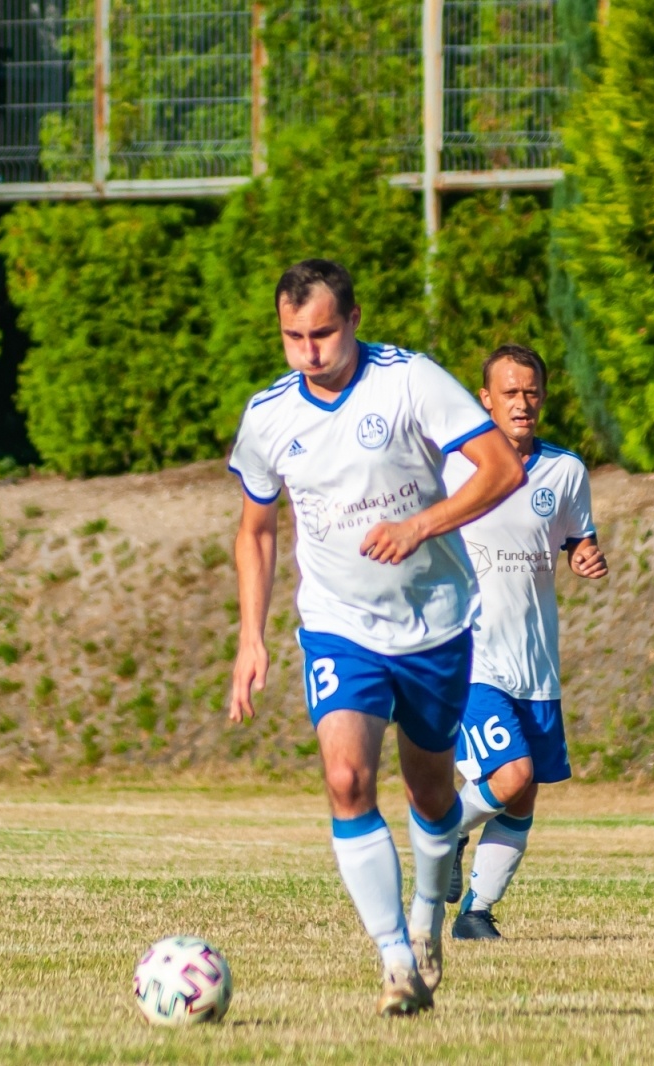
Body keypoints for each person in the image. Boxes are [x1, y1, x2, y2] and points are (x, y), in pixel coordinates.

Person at [226, 259, 525, 1017]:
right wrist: (250, 638)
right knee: (347, 781)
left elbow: (500, 470)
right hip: (337, 627)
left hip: (435, 621)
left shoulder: (409, 381)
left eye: (323, 332)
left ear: (354, 318)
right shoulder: (269, 416)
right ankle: (395, 959)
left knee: (430, 793)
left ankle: (427, 916)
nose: (310, 351)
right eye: (294, 336)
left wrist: (421, 524)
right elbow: (256, 530)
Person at [438, 344, 608, 939]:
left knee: (524, 792)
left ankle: (475, 914)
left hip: (536, 663)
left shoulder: (565, 471)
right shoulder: (451, 467)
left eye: (531, 391)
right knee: (511, 774)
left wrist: (585, 554)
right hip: (469, 657)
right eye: (509, 392)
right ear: (484, 399)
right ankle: (446, 833)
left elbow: (575, 540)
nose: (522, 403)